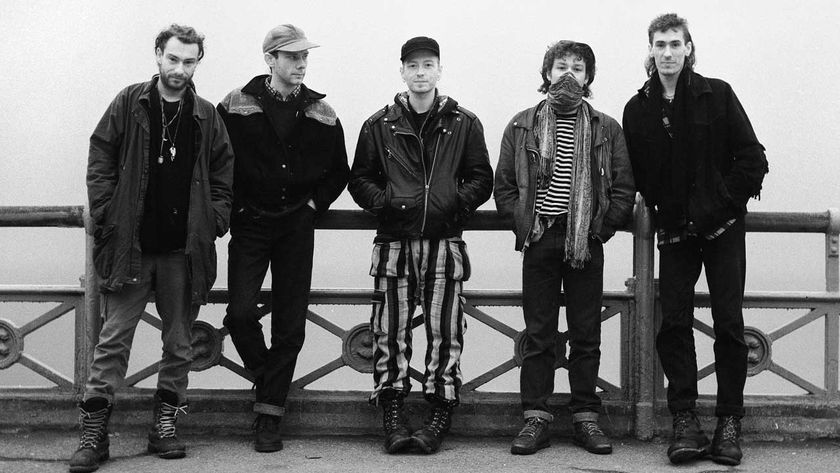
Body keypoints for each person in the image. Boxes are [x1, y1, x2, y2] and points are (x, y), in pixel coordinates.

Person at [75, 24, 234, 472]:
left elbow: (224, 173)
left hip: (183, 251)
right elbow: (100, 156)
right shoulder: (129, 103)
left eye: (189, 61)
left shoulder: (205, 114)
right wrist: (105, 211)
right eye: (173, 59)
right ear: (158, 56)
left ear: (197, 63)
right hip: (131, 247)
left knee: (179, 342)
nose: (180, 69)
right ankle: (94, 435)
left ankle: (163, 427)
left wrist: (215, 220)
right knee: (113, 340)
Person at [623, 13, 768, 466]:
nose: (667, 52)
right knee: (675, 324)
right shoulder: (638, 108)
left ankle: (729, 423)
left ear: (689, 48)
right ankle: (684, 421)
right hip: (674, 232)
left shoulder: (717, 94)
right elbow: (641, 177)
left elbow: (753, 158)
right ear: (650, 51)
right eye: (660, 45)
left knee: (728, 325)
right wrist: (674, 209)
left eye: (675, 44)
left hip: (723, 228)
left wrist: (718, 204)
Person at [348, 36, 493, 454]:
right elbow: (360, 179)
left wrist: (453, 205)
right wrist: (387, 204)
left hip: (445, 243)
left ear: (439, 70)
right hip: (394, 242)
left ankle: (438, 412)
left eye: (428, 65)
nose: (420, 73)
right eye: (413, 66)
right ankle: (392, 413)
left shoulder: (464, 122)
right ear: (402, 72)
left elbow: (480, 177)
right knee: (389, 331)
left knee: (445, 332)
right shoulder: (379, 124)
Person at [494, 41, 635, 456]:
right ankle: (535, 417)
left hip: (585, 241)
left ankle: (585, 418)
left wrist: (600, 230)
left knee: (586, 333)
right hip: (541, 238)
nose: (569, 74)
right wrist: (526, 225)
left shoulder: (606, 127)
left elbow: (624, 188)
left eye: (578, 67)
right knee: (539, 334)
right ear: (547, 73)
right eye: (561, 66)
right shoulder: (522, 125)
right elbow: (505, 186)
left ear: (589, 76)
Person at [217, 24, 349, 453]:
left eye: (304, 56)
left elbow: (339, 171)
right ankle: (269, 379)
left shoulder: (322, 112)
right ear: (270, 59)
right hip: (250, 223)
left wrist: (315, 206)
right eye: (292, 56)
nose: (301, 63)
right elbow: (216, 161)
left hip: (297, 226)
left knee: (289, 326)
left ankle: (269, 415)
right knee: (238, 313)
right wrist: (235, 205)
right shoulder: (235, 105)